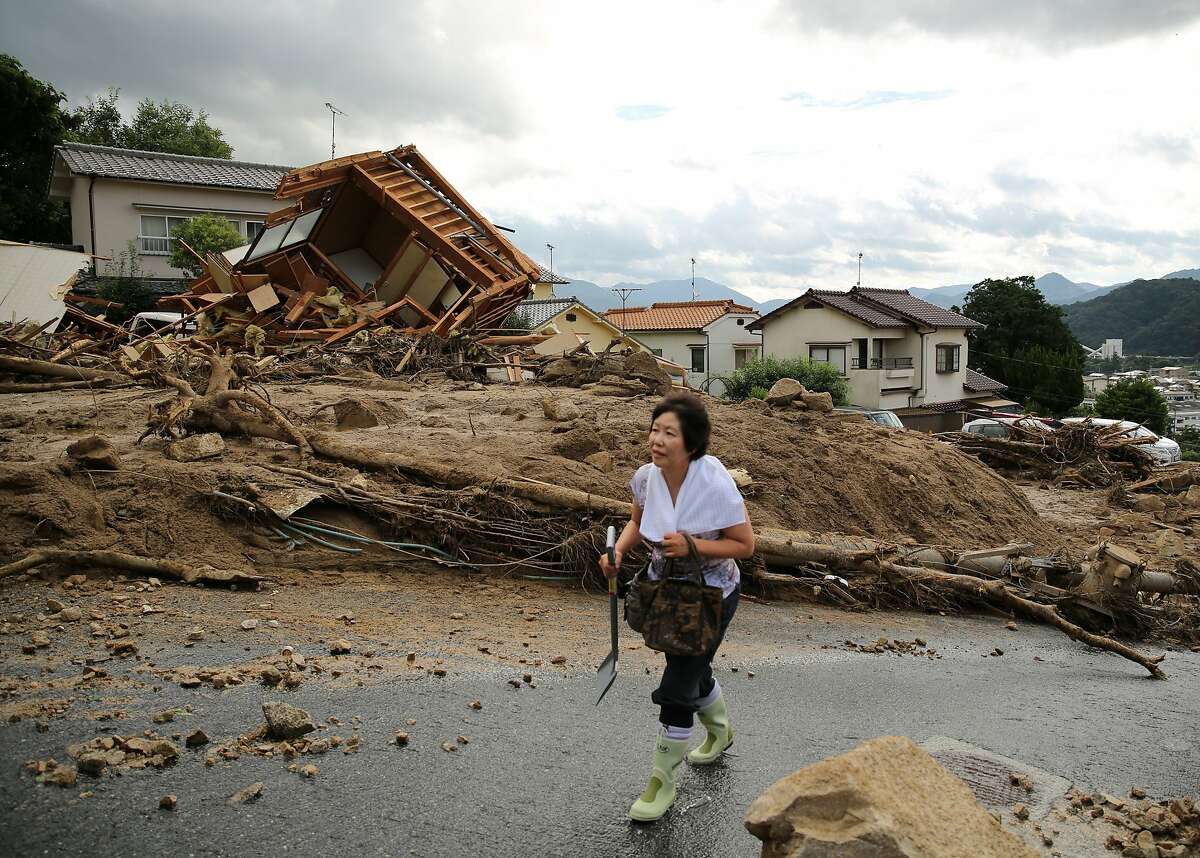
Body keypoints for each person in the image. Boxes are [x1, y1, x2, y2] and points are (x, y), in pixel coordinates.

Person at [599, 391, 754, 822]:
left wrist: (693, 545)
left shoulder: (715, 484)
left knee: (677, 684)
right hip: (665, 590)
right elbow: (636, 521)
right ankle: (720, 731)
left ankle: (661, 781)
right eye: (655, 430)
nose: (657, 440)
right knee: (690, 666)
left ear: (692, 443)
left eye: (670, 433)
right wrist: (617, 553)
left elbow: (744, 545)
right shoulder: (646, 478)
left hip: (711, 595)